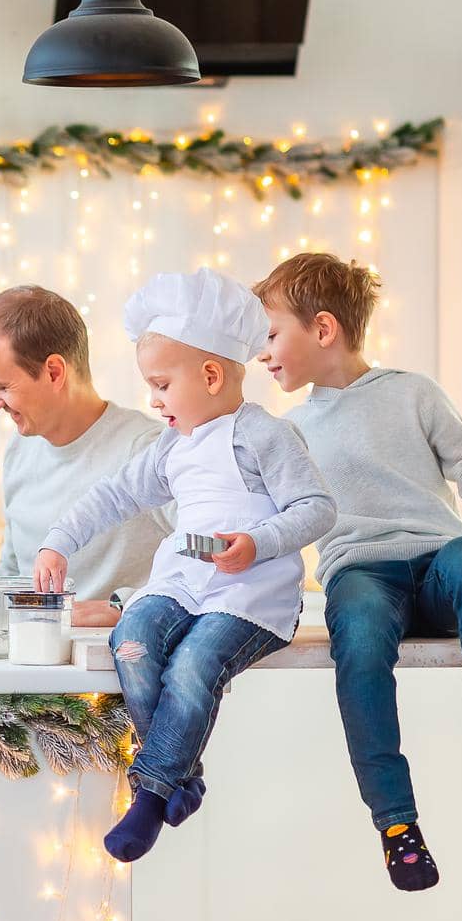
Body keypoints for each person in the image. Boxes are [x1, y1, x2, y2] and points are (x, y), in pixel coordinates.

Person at [32, 268, 336, 863]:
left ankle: (149, 795)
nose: (153, 400)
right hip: (184, 577)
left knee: (195, 663)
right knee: (133, 642)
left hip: (249, 591)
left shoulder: (263, 436)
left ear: (212, 375)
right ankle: (180, 775)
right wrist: (58, 542)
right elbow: (112, 495)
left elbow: (317, 508)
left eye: (162, 385)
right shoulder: (172, 447)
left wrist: (257, 541)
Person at [254, 253, 462, 892]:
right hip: (360, 575)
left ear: (324, 330)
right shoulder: (286, 433)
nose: (262, 354)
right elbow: (273, 527)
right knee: (356, 633)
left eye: (271, 335)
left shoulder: (414, 393)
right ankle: (397, 825)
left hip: (437, 564)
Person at [0, 285, 171, 626]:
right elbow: (13, 573)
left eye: (2, 387)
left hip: (115, 671)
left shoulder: (147, 450)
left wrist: (127, 607)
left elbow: (210, 556)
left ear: (54, 372)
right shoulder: (20, 450)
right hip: (33, 670)